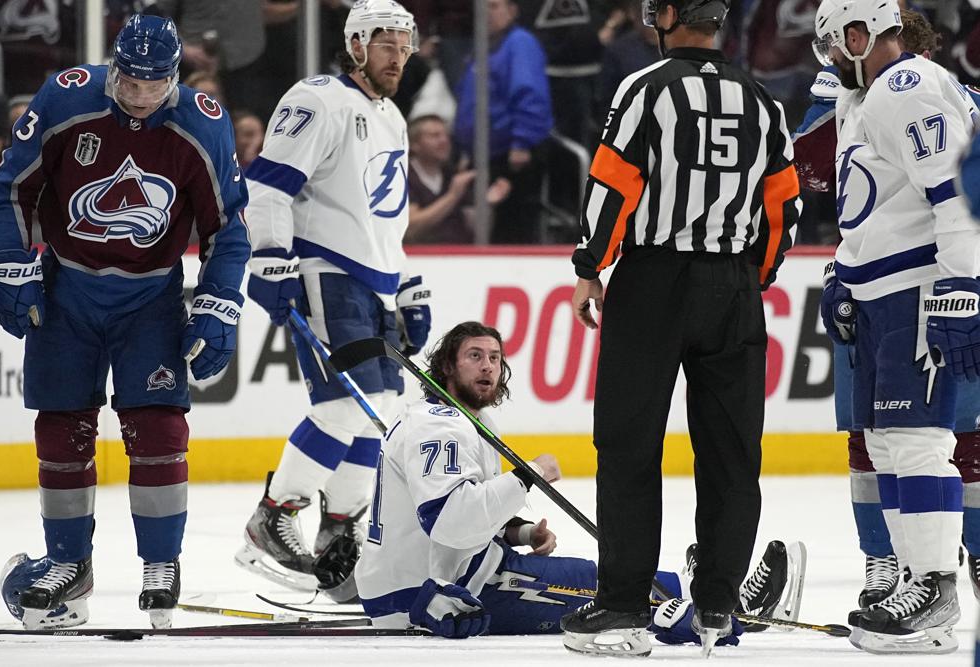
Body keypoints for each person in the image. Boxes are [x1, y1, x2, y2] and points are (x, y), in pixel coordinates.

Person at [0, 14, 249, 631]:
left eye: (151, 85)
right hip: (66, 287)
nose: (137, 95)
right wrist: (12, 263)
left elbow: (227, 227)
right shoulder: (66, 95)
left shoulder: (202, 124)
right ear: (112, 68)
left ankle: (161, 565)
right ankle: (68, 563)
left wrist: (218, 303)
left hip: (150, 298)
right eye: (127, 80)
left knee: (157, 426)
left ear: (175, 79)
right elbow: (9, 189)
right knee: (61, 425)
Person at [561, 0, 801, 656]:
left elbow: (613, 182)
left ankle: (622, 607)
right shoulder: (759, 98)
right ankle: (719, 606)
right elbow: (784, 202)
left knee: (629, 441)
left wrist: (590, 267)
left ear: (667, 15)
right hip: (734, 285)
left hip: (653, 283)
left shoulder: (647, 86)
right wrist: (754, 278)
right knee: (731, 452)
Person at [354, 321, 805, 642]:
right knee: (613, 600)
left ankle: (709, 591)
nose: (488, 367)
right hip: (434, 594)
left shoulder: (454, 421)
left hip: (436, 577)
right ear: (447, 366)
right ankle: (730, 610)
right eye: (474, 356)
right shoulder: (440, 426)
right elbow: (450, 521)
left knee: (604, 581)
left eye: (494, 357)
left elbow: (450, 515)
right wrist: (526, 477)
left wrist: (520, 532)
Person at [236, 0, 431, 603]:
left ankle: (339, 534)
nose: (396, 56)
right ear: (355, 46)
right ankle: (273, 516)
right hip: (326, 272)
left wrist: (404, 284)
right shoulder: (316, 98)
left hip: (373, 283)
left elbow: (384, 215)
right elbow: (267, 185)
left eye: (404, 45)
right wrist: (270, 256)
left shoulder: (393, 117)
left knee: (383, 410)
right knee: (347, 407)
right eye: (384, 44)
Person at [796, 8, 980, 612]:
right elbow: (875, 206)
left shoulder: (909, 86)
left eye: (832, 43)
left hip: (920, 286)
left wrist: (961, 287)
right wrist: (843, 274)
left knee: (918, 437)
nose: (827, 59)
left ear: (858, 34)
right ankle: (912, 580)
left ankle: (934, 589)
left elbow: (954, 194)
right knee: (886, 441)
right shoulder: (871, 98)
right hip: (883, 288)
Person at [453, 0, 553, 244]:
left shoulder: (519, 43)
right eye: (483, 7)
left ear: (512, 11)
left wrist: (521, 143)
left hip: (511, 156)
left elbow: (529, 93)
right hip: (484, 154)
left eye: (494, 6)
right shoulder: (483, 47)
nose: (487, 13)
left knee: (511, 229)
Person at [405, 114, 511, 244]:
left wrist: (487, 203)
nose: (444, 141)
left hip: (458, 255)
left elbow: (474, 229)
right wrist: (452, 196)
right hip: (420, 257)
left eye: (446, 135)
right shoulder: (404, 175)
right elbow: (410, 228)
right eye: (434, 136)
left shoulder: (453, 175)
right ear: (414, 144)